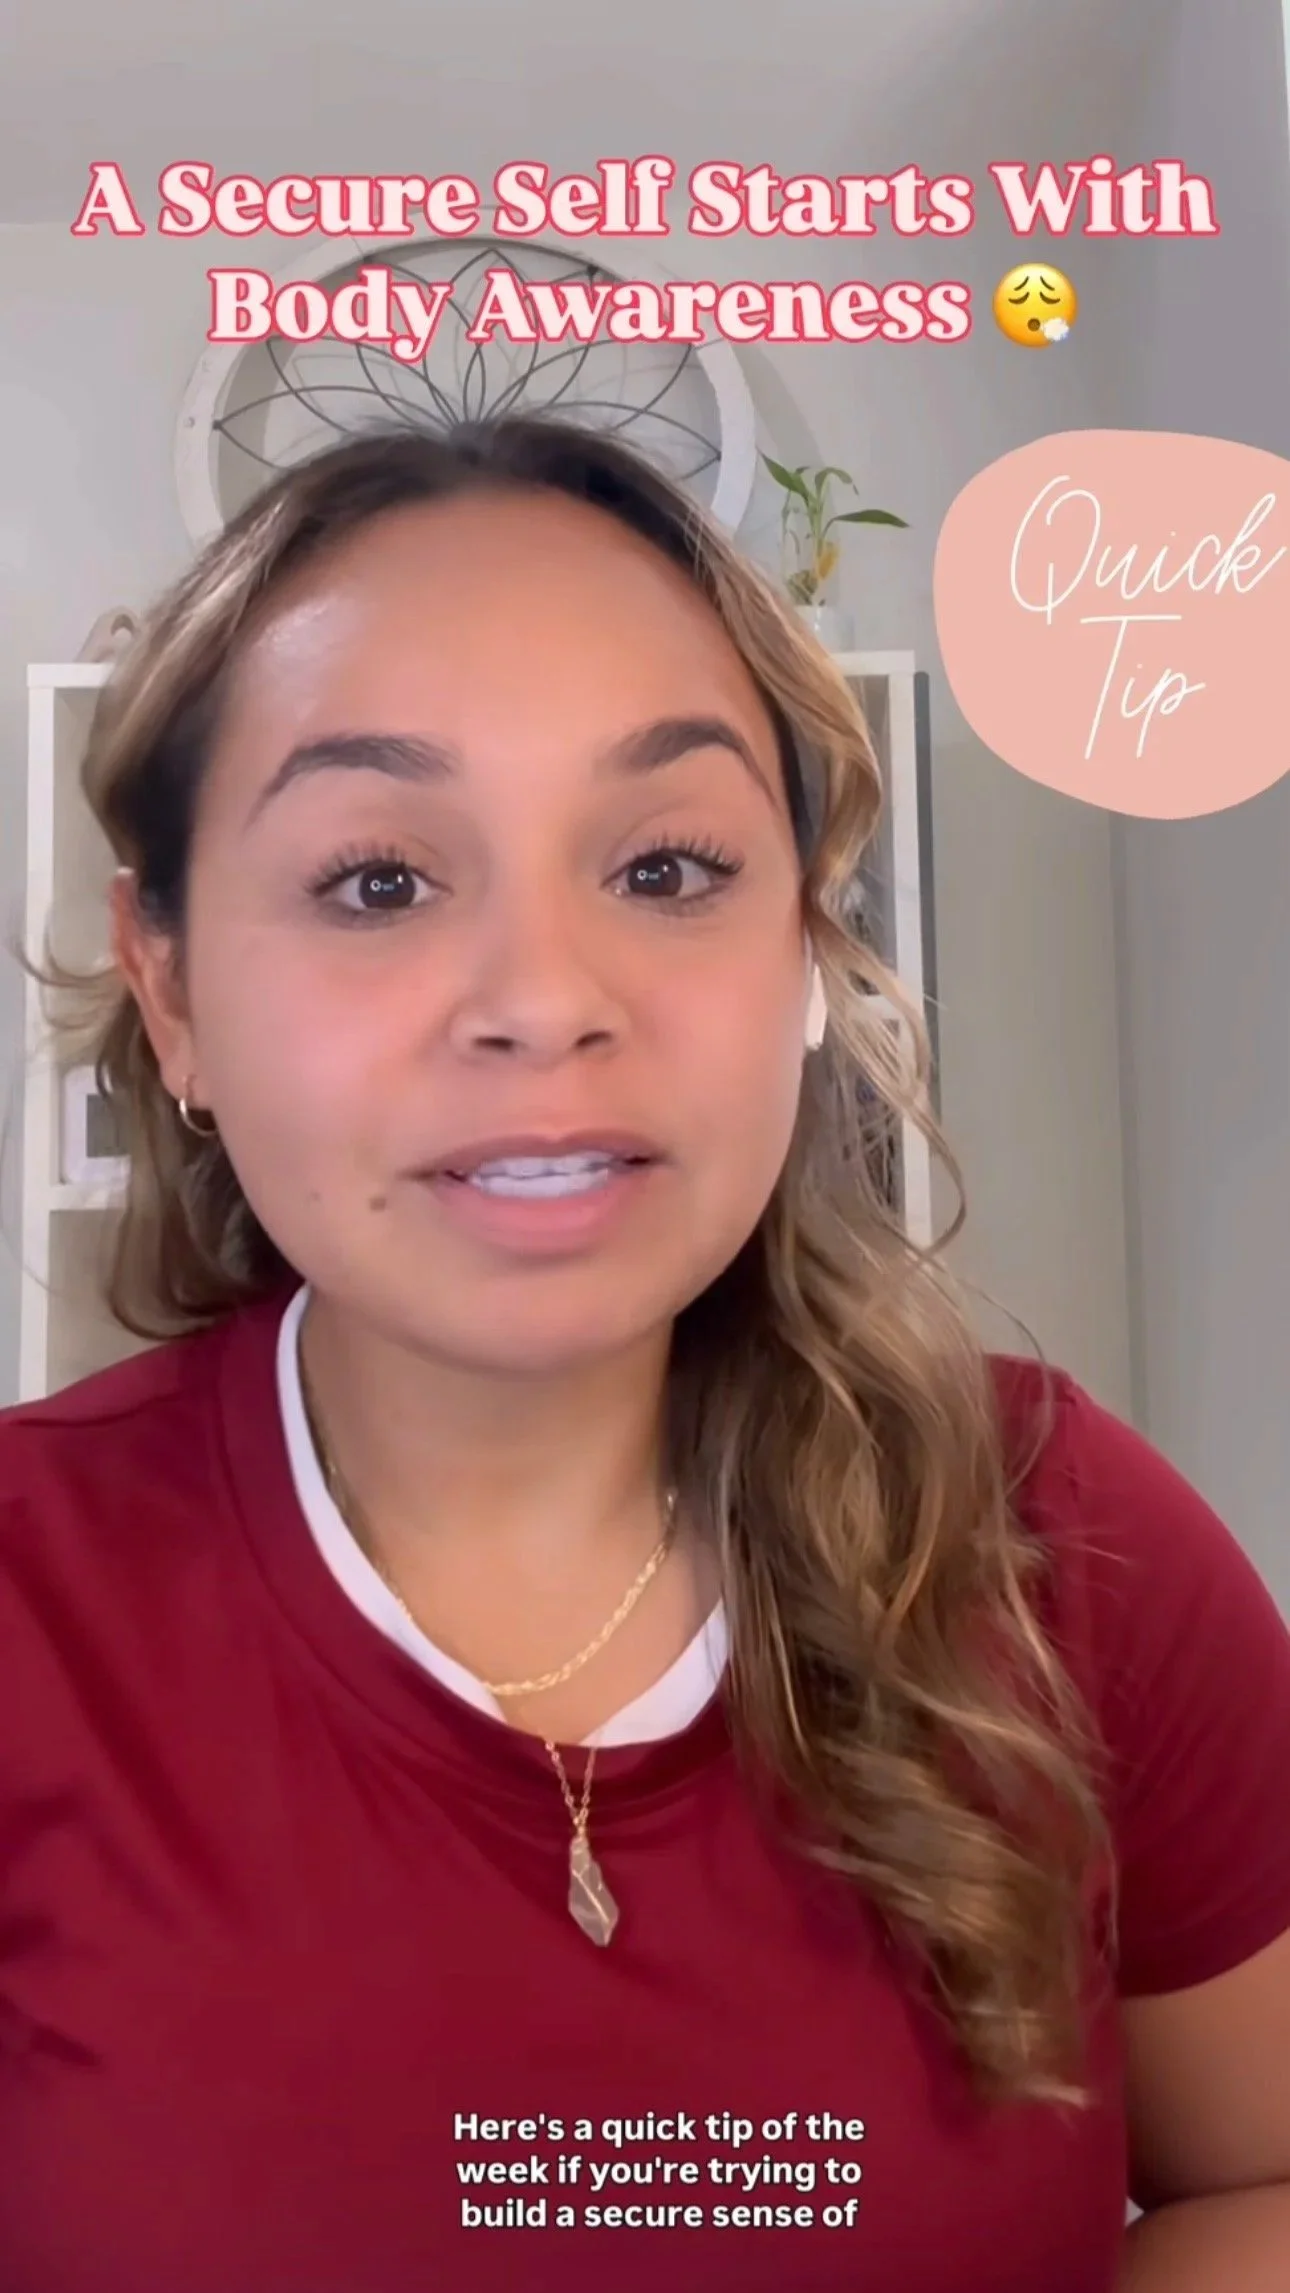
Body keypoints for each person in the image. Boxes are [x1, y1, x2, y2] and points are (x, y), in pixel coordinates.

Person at [1, 414, 1287, 2293]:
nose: (545, 1002)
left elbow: (1257, 2181)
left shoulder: (1063, 1543)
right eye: (378, 882)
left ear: (806, 942)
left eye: (669, 867)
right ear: (171, 986)